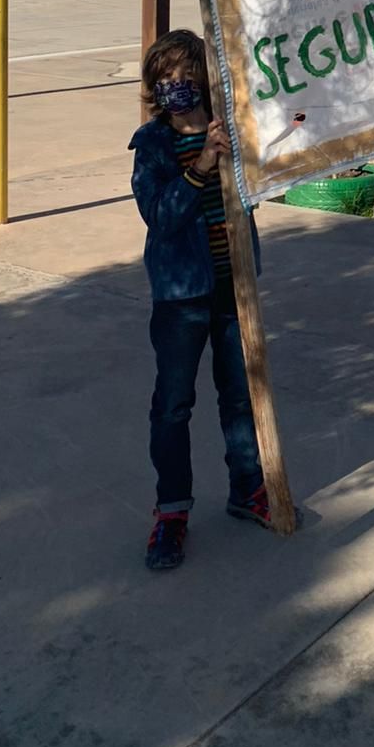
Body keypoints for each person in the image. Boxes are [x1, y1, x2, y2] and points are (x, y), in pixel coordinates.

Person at [130, 29, 269, 571]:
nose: (178, 86)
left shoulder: (231, 131)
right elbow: (159, 218)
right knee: (173, 405)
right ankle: (171, 512)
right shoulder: (153, 145)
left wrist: (239, 155)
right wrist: (200, 169)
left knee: (240, 396)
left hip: (235, 286)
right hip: (181, 296)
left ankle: (248, 489)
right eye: (167, 79)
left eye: (188, 77)